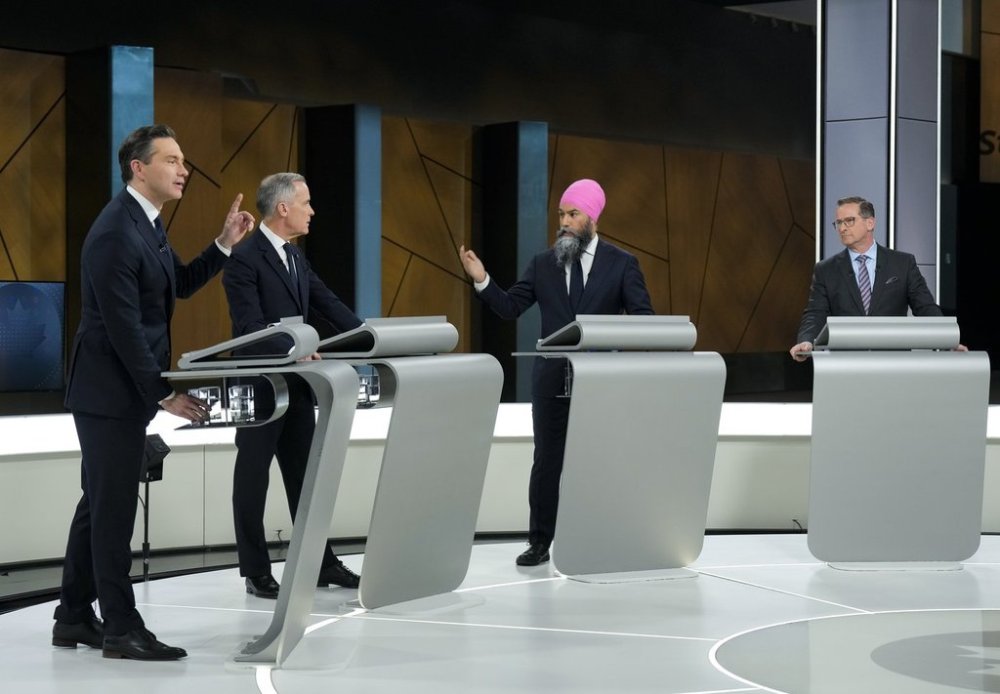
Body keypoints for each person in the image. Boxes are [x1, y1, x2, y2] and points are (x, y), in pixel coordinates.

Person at [54, 124, 255, 660]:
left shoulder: (148, 226)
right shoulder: (117, 231)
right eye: (171, 160)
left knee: (98, 505)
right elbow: (121, 327)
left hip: (121, 392)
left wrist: (223, 246)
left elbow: (180, 285)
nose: (183, 169)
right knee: (114, 511)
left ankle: (72, 615)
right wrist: (163, 395)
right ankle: (120, 628)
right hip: (107, 394)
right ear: (138, 168)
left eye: (183, 160)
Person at [459, 179, 654, 566]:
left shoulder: (622, 264)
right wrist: (482, 279)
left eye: (572, 214)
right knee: (547, 461)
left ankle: (601, 535)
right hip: (551, 381)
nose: (564, 222)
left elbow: (643, 322)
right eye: (561, 214)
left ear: (592, 217)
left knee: (599, 461)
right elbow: (510, 307)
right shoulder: (543, 263)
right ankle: (540, 541)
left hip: (600, 384)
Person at [222, 173, 363, 599]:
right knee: (252, 479)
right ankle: (256, 571)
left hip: (297, 386)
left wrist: (367, 334)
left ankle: (322, 563)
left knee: (306, 477)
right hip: (259, 388)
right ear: (283, 208)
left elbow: (328, 303)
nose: (312, 211)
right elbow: (248, 327)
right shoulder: (244, 258)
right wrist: (295, 347)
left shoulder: (295, 258)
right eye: (306, 203)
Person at [790, 196, 962, 361]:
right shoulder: (826, 269)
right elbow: (816, 312)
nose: (842, 228)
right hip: (845, 364)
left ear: (870, 223)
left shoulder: (902, 263)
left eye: (849, 221)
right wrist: (806, 340)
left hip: (892, 362)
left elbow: (925, 307)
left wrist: (947, 342)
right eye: (839, 223)